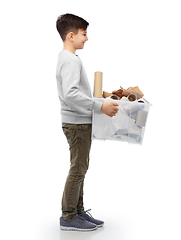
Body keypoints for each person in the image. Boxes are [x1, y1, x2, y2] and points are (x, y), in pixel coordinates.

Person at [56, 13, 119, 231]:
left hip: (78, 123)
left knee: (81, 167)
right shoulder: (70, 60)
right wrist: (99, 105)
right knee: (78, 169)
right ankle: (69, 217)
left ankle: (78, 211)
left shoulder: (67, 58)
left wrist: (97, 99)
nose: (87, 38)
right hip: (77, 124)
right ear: (71, 35)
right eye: (84, 34)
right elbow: (71, 93)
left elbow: (74, 93)